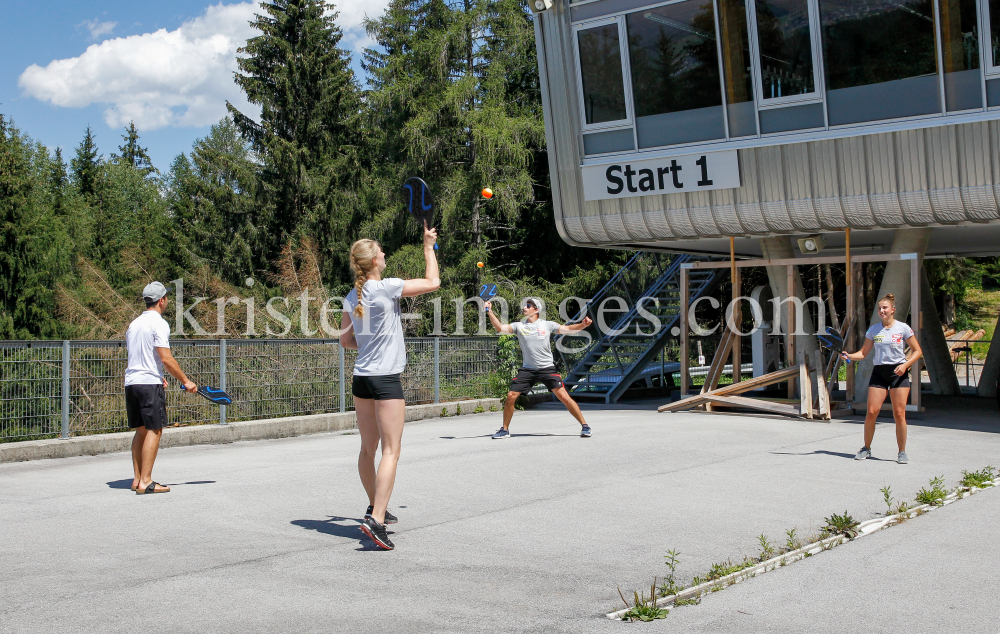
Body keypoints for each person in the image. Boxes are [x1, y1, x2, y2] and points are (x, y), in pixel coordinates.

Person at [339, 224, 440, 551]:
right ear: (374, 262)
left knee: (369, 449)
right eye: (381, 251)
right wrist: (428, 247)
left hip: (361, 379)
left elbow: (346, 342)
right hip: (385, 379)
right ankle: (378, 519)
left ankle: (373, 506)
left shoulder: (351, 296)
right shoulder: (387, 287)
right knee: (391, 451)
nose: (385, 254)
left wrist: (370, 344)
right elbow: (434, 282)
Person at [484, 298, 593, 439]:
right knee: (511, 396)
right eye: (524, 305)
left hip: (547, 368)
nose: (524, 307)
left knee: (564, 397)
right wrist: (489, 311)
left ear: (536, 310)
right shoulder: (519, 326)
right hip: (527, 370)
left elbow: (568, 329)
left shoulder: (547, 325)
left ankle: (585, 426)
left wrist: (582, 325)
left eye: (528, 306)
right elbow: (499, 327)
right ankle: (504, 430)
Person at [125, 282, 197, 494]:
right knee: (155, 430)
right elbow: (165, 358)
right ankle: (146, 481)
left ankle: (137, 479)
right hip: (148, 383)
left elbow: (140, 355)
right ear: (162, 300)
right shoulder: (159, 323)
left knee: (140, 430)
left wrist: (159, 376)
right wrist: (186, 381)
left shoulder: (134, 324)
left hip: (132, 382)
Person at [841, 293, 923, 464]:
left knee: (899, 414)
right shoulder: (874, 330)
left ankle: (902, 452)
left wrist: (905, 365)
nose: (882, 310)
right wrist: (849, 355)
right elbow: (863, 353)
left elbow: (918, 351)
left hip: (898, 373)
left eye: (885, 308)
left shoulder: (903, 328)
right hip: (879, 372)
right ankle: (866, 448)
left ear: (893, 310)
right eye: (879, 308)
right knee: (871, 412)